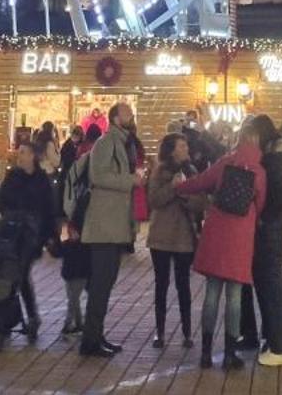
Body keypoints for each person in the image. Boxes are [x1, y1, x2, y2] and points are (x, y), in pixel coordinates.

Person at [181, 116, 266, 370]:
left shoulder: (225, 162)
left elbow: (201, 181)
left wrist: (178, 187)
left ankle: (206, 353)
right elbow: (260, 205)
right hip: (241, 237)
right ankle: (230, 354)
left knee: (211, 293)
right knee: (235, 297)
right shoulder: (259, 171)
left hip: (217, 232)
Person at [79, 101, 144, 358]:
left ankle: (96, 335)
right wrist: (131, 181)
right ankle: (90, 340)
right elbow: (98, 176)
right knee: (101, 284)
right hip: (104, 224)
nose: (132, 115)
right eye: (127, 112)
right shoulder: (106, 142)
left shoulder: (124, 143)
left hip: (115, 223)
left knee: (105, 284)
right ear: (116, 118)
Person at [238, 114, 282, 368]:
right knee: (266, 287)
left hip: (268, 235)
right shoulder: (272, 159)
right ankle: (271, 338)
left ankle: (280, 346)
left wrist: (263, 219)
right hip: (269, 233)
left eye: (250, 135)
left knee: (270, 288)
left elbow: (281, 198)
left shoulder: (271, 162)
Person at [0, 139, 56, 339]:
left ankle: (29, 316)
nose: (19, 156)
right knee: (12, 274)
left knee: (21, 273)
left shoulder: (41, 180)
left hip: (33, 235)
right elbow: (3, 199)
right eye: (19, 152)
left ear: (33, 156)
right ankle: (10, 316)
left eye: (23, 152)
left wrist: (50, 237)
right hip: (12, 232)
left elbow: (49, 209)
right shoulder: (13, 176)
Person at [147, 132, 197, 347]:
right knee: (161, 284)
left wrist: (186, 195)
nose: (186, 149)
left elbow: (200, 202)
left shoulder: (192, 170)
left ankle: (187, 331)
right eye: (182, 146)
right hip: (161, 236)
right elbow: (154, 200)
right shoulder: (160, 171)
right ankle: (160, 331)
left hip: (184, 236)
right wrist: (173, 187)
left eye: (186, 145)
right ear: (172, 150)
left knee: (184, 284)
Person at [57, 128, 94, 338]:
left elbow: (65, 207)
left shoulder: (73, 177)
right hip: (80, 235)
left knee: (74, 280)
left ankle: (73, 319)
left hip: (74, 234)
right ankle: (75, 319)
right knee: (78, 280)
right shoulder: (86, 186)